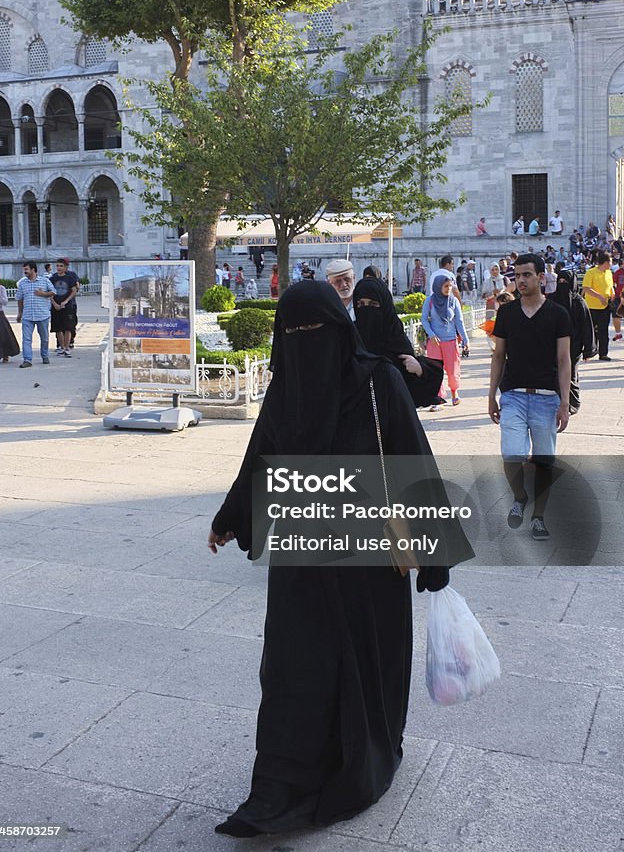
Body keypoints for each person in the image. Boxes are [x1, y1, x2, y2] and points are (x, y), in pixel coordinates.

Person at [207, 282, 473, 837]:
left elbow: (411, 458)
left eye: (316, 332)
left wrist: (436, 553)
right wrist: (233, 517)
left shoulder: (378, 382)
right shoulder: (288, 390)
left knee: (366, 660)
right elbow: (262, 455)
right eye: (294, 335)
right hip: (302, 555)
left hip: (371, 560)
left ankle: (365, 757)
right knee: (292, 665)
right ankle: (278, 787)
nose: (307, 345)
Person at [488, 253, 571, 540]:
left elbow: (564, 360)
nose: (520, 280)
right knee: (511, 453)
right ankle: (520, 496)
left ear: (540, 277)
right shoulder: (507, 313)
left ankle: (538, 517)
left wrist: (564, 401)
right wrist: (490, 395)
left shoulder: (558, 314)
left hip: (547, 398)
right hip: (513, 395)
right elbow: (498, 355)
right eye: (517, 275)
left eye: (526, 275)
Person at [352, 275, 443, 408]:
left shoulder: (395, 339)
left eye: (373, 304)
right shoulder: (351, 337)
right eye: (361, 304)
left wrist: (419, 369)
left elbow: (415, 390)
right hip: (358, 417)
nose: (367, 310)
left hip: (395, 415)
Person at [548, 268, 597, 414]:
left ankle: (572, 402)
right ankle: (558, 402)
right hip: (554, 344)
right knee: (555, 373)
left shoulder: (579, 302)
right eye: (560, 281)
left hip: (574, 345)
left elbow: (587, 327)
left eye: (566, 282)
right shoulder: (551, 300)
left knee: (571, 373)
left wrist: (589, 350)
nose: (563, 284)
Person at [421, 270, 469, 408]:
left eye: (450, 286)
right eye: (445, 286)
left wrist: (465, 339)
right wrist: (431, 334)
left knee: (453, 370)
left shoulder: (453, 301)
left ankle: (454, 392)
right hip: (434, 342)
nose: (448, 289)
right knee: (435, 371)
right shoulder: (430, 301)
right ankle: (438, 398)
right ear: (438, 286)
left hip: (450, 341)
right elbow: (424, 319)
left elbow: (459, 321)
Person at [16, 262, 56, 367]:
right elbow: (19, 298)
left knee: (44, 338)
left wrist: (43, 294)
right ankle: (27, 360)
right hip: (27, 315)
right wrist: (20, 313)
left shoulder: (45, 281)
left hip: (42, 314)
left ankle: (45, 355)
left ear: (33, 269)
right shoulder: (22, 283)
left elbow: (53, 292)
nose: (25, 272)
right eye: (24, 269)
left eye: (26, 269)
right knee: (26, 339)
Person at [581, 251, 615, 361]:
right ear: (605, 262)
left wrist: (612, 293)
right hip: (592, 306)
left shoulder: (609, 272)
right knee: (590, 331)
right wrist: (599, 297)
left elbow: (610, 285)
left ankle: (603, 353)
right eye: (610, 261)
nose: (611, 263)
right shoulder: (591, 272)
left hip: (605, 306)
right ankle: (589, 351)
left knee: (603, 330)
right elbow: (586, 288)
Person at [49, 258, 80, 357]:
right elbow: (49, 292)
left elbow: (74, 291)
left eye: (61, 266)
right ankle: (61, 347)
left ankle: (67, 347)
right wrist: (54, 303)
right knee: (58, 327)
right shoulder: (52, 278)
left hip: (68, 306)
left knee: (68, 327)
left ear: (66, 267)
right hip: (56, 306)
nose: (59, 268)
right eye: (57, 266)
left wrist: (66, 301)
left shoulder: (70, 278)